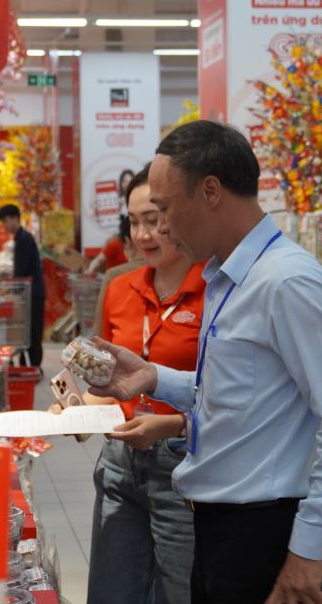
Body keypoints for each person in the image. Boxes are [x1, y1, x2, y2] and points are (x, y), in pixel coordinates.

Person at [91, 120, 322, 604]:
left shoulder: (285, 281)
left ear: (210, 191)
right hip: (220, 525)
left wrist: (307, 549)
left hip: (262, 529)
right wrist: (154, 377)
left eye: (164, 208)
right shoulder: (228, 278)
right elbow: (239, 394)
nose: (159, 227)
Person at [86, 165, 205, 604]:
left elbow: (230, 394)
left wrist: (171, 426)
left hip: (185, 462)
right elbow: (102, 376)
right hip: (119, 462)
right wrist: (75, 408)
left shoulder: (216, 289)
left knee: (181, 590)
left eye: (153, 220)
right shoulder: (118, 285)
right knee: (111, 591)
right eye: (133, 222)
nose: (142, 235)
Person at [0, 204, 45, 368]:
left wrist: (4, 290)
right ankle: (29, 365)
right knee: (29, 332)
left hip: (33, 293)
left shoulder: (23, 239)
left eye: (5, 221)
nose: (4, 226)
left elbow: (20, 273)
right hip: (30, 292)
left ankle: (33, 367)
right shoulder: (22, 237)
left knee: (32, 332)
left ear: (15, 218)